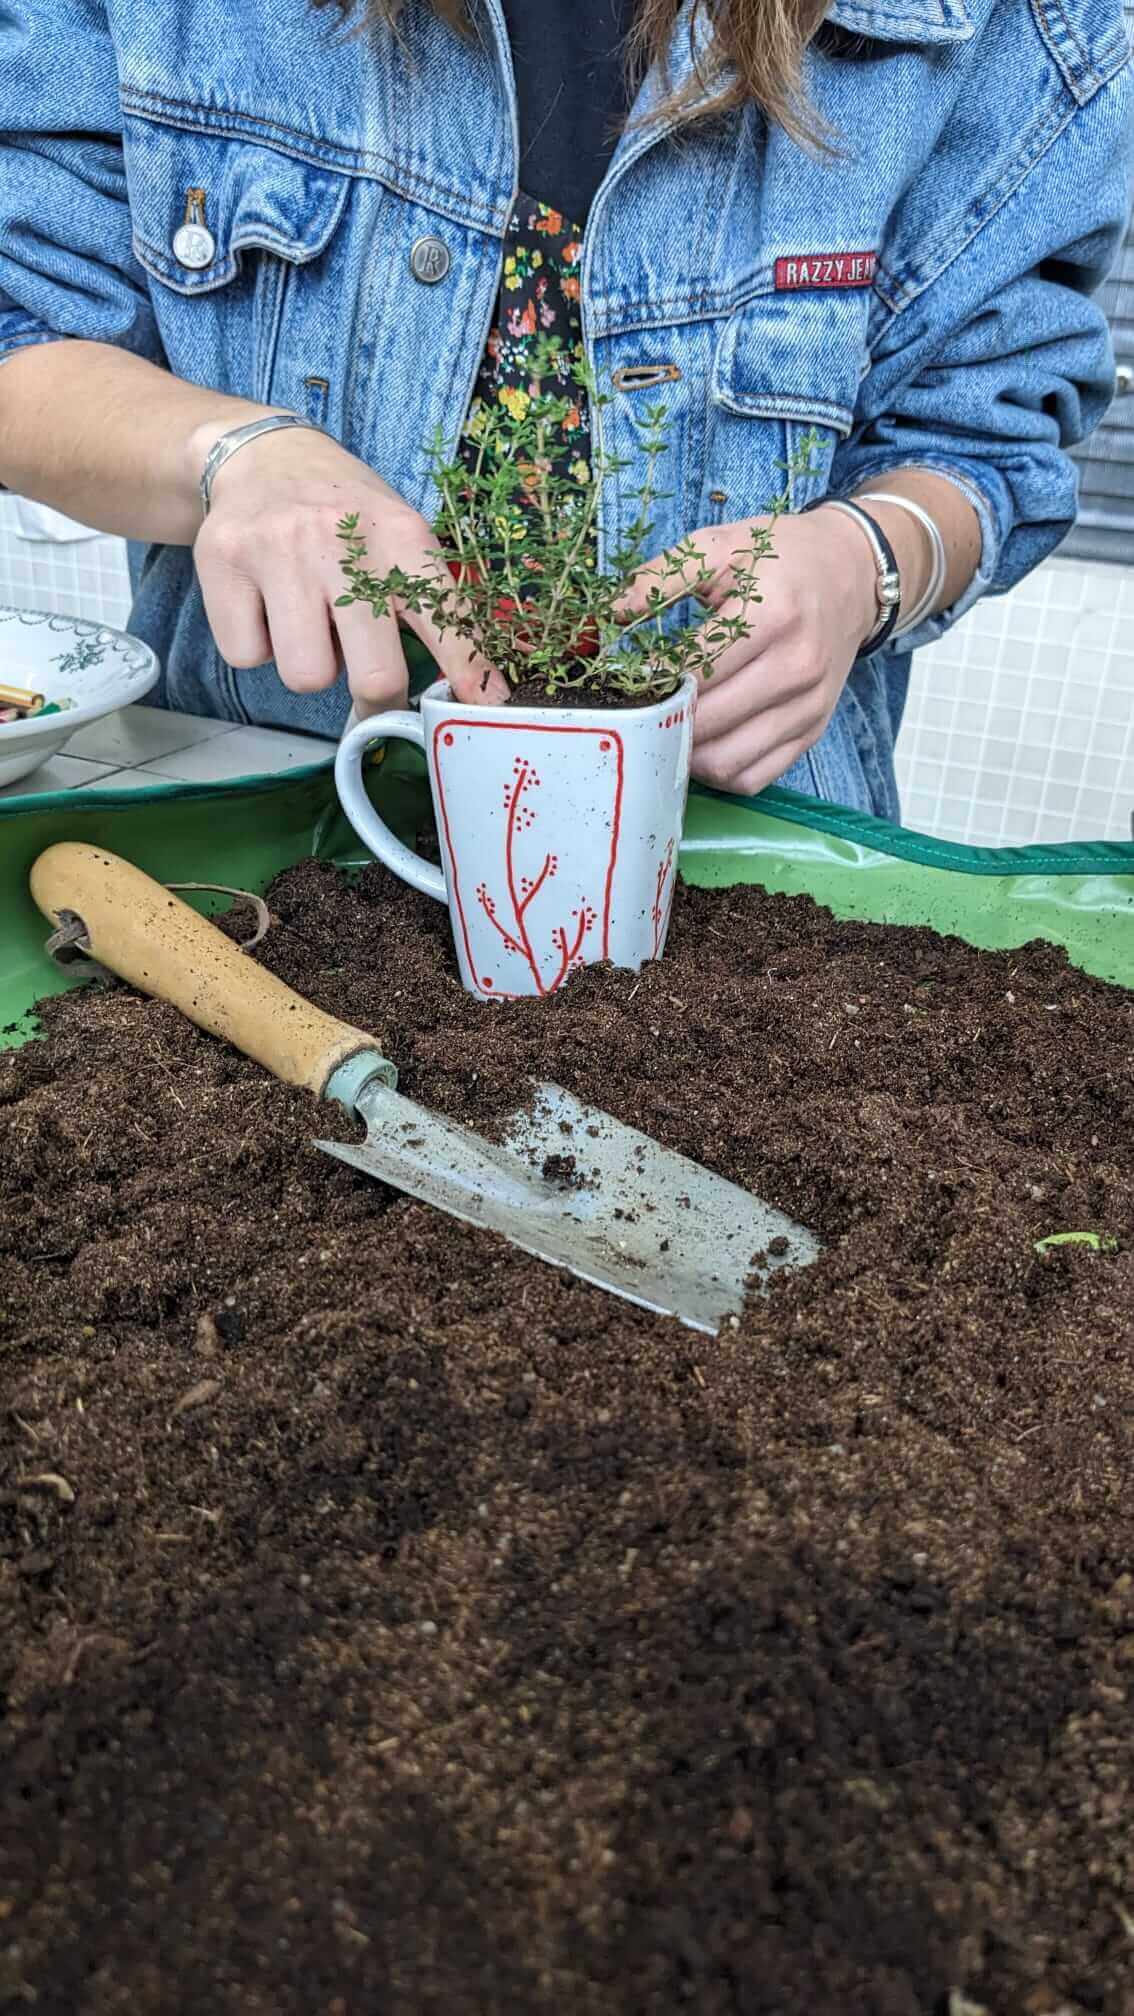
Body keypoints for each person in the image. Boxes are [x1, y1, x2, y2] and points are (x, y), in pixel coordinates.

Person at [0, 0, 1129, 817]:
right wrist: (237, 455)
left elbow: (981, 435)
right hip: (267, 827)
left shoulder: (1026, 24)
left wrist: (868, 558)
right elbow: (24, 333)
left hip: (738, 876)